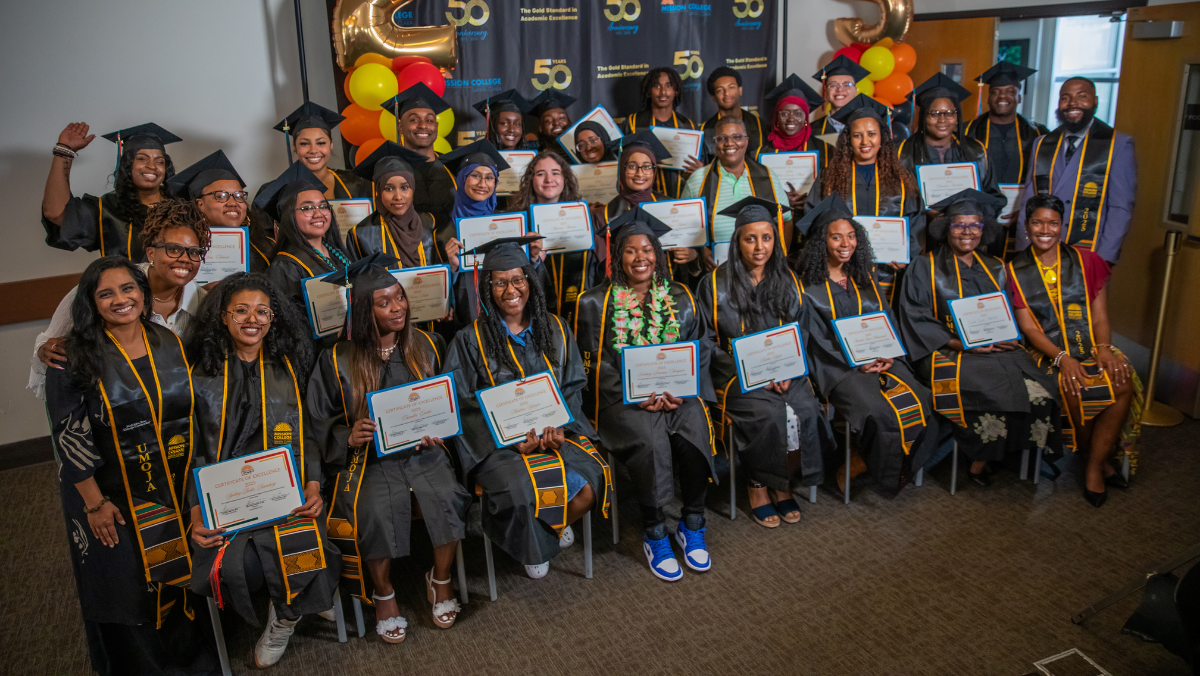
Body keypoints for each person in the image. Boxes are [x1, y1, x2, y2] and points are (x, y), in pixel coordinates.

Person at [46, 256, 219, 676]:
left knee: (181, 575)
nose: (120, 299)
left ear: (143, 294)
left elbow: (192, 415)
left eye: (128, 289)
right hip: (108, 494)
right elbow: (69, 434)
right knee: (127, 586)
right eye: (106, 293)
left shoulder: (169, 340)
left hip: (173, 484)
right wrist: (93, 503)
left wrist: (197, 492)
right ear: (91, 303)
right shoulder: (72, 357)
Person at [306, 253, 469, 640]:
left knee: (448, 494)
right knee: (374, 510)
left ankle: (440, 579)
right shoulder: (336, 359)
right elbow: (315, 421)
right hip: (368, 462)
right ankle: (384, 593)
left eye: (399, 297)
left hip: (423, 453)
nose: (397, 307)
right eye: (384, 302)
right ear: (364, 310)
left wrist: (440, 428)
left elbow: (452, 402)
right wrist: (346, 436)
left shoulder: (428, 344)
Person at [185, 273, 340, 668]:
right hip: (227, 499)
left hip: (283, 491)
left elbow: (307, 434)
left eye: (262, 311)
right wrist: (196, 510)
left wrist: (313, 484)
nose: (252, 319)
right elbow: (193, 453)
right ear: (222, 317)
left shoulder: (290, 366)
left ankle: (285, 618)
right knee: (246, 563)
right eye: (240, 310)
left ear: (274, 318)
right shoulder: (200, 376)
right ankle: (305, 597)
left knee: (307, 539)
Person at [441, 237, 609, 580]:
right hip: (499, 446)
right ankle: (541, 539)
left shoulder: (557, 328)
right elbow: (462, 404)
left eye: (518, 280)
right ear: (488, 288)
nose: (510, 290)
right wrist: (507, 441)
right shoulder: (469, 339)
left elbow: (574, 386)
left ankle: (548, 526)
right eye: (500, 282)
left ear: (530, 282)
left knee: (593, 482)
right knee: (519, 488)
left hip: (556, 436)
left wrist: (562, 428)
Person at [574, 211, 716, 582]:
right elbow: (592, 363)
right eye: (631, 250)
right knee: (650, 438)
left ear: (659, 254)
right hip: (623, 401)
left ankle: (692, 523)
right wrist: (635, 395)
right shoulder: (594, 302)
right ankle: (655, 531)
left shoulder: (680, 296)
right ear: (617, 256)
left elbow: (699, 348)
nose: (641, 257)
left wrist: (685, 391)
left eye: (648, 249)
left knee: (695, 428)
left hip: (678, 396)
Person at [896, 189, 1061, 486]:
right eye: (959, 225)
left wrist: (1011, 336)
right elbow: (916, 317)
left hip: (997, 349)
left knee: (1040, 389)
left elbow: (1007, 312)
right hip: (945, 350)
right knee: (987, 388)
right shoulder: (924, 266)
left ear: (984, 230)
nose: (967, 232)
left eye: (975, 225)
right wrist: (962, 345)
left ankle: (1011, 452)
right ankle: (980, 458)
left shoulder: (995, 266)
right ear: (947, 228)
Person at [697, 197, 834, 526]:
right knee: (771, 412)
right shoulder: (713, 285)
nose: (760, 247)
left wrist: (787, 371)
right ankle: (758, 484)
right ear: (737, 242)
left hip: (787, 373)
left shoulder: (788, 280)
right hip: (736, 377)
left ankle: (783, 482)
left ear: (776, 239)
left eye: (767, 237)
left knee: (806, 410)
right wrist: (750, 373)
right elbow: (704, 342)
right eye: (750, 238)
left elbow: (802, 331)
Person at [794, 195, 939, 495]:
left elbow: (887, 321)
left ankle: (870, 460)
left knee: (921, 399)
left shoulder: (865, 277)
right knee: (877, 411)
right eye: (836, 237)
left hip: (883, 359)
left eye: (851, 236)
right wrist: (855, 363)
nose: (845, 244)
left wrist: (889, 354)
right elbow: (814, 341)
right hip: (839, 368)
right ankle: (865, 464)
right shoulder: (806, 288)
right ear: (822, 242)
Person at [1007, 194, 1141, 507]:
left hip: (1092, 344)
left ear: (1062, 226)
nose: (1045, 229)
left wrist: (1105, 349)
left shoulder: (1086, 260)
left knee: (1121, 378)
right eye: (1037, 222)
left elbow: (1100, 314)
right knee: (1075, 387)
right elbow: (1029, 328)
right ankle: (1094, 463)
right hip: (1047, 351)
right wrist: (1062, 358)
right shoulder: (1015, 270)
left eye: (1052, 223)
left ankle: (1095, 461)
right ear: (1027, 226)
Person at [31, 199, 211, 399]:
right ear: (151, 252)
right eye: (174, 249)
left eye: (194, 252)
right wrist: (46, 351)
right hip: (111, 405)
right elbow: (50, 342)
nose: (185, 259)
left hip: (173, 410)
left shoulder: (203, 304)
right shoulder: (108, 283)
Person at [806, 95, 924, 301]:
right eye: (857, 135)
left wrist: (907, 255)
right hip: (841, 271)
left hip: (889, 272)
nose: (865, 142)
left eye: (871, 134)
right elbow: (814, 221)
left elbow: (916, 222)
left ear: (882, 138)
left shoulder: (902, 180)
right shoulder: (829, 178)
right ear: (848, 140)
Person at [1014, 77, 1136, 265]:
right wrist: (1023, 249)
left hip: (1088, 252)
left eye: (1081, 96)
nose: (1072, 103)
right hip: (1041, 249)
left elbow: (1120, 208)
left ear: (1094, 101)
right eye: (1065, 98)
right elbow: (1029, 202)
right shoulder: (1042, 144)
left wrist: (1104, 258)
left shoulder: (1117, 145)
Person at [439, 140, 545, 326]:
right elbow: (437, 296)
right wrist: (453, 268)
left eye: (490, 178)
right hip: (469, 317)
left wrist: (533, 259)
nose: (483, 183)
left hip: (507, 311)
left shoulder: (506, 224)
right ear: (462, 178)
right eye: (475, 176)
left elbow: (522, 275)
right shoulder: (443, 232)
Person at [41, 122, 179, 261]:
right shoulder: (107, 209)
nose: (152, 166)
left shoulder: (181, 208)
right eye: (142, 159)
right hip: (125, 282)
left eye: (159, 161)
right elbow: (56, 214)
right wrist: (64, 151)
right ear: (127, 164)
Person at [258, 162, 352, 349]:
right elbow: (285, 325)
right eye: (307, 208)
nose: (318, 214)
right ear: (288, 216)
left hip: (350, 346)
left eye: (323, 206)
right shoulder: (284, 266)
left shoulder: (336, 251)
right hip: (319, 355)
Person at [601, 131, 704, 286]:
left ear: (654, 170)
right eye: (632, 166)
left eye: (647, 167)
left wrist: (693, 256)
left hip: (670, 291)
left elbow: (693, 254)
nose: (640, 173)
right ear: (622, 170)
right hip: (623, 296)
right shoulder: (604, 214)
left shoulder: (672, 206)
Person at [683, 115, 798, 253]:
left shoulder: (768, 176)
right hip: (717, 268)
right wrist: (701, 253)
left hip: (761, 267)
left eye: (736, 137)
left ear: (746, 141)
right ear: (714, 143)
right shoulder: (698, 180)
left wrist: (780, 258)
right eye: (722, 138)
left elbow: (785, 219)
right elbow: (685, 227)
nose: (729, 143)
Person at [506, 152, 599, 320]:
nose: (549, 179)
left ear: (565, 179)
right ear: (531, 180)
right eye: (541, 174)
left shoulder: (582, 219)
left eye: (555, 173)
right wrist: (532, 260)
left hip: (577, 309)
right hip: (533, 313)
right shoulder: (518, 224)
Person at [898, 73, 1005, 215]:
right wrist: (925, 213)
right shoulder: (902, 152)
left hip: (966, 231)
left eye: (949, 113)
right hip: (921, 233)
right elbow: (895, 201)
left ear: (957, 117)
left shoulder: (977, 151)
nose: (942, 120)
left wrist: (968, 213)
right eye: (934, 113)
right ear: (924, 116)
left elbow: (994, 198)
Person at [345, 141, 448, 268]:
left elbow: (443, 274)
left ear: (413, 189)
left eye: (405, 188)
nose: (398, 197)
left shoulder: (430, 224)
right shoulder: (361, 235)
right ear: (379, 191)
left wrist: (452, 267)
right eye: (388, 189)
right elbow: (357, 282)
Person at [168, 149, 273, 273]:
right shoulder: (176, 245)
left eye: (239, 195)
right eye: (221, 196)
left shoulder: (266, 246)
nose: (233, 203)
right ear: (199, 204)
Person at [381, 83, 458, 227]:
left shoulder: (453, 166)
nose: (423, 125)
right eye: (414, 120)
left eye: (429, 120)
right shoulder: (386, 169)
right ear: (400, 127)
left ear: (436, 127)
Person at [620, 67, 704, 197]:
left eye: (669, 86)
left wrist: (701, 171)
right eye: (657, 86)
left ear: (675, 91)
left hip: (682, 197)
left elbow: (702, 165)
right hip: (643, 197)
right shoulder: (633, 124)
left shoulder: (689, 126)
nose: (663, 92)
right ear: (649, 91)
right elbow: (621, 163)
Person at [964, 62, 1050, 186]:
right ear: (988, 98)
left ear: (1019, 98)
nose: (1002, 96)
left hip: (1023, 203)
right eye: (996, 91)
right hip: (979, 203)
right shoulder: (966, 131)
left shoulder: (1038, 133)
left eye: (1010, 91)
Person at [273, 101, 372, 202]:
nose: (313, 150)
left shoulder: (357, 183)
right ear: (294, 147)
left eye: (321, 143)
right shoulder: (278, 193)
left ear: (331, 145)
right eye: (304, 143)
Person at [810, 55, 872, 164]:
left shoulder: (871, 129)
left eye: (847, 84)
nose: (840, 89)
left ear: (855, 91)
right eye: (833, 85)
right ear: (825, 91)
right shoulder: (810, 132)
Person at [700, 67, 766, 159]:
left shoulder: (761, 126)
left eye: (731, 87)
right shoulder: (705, 130)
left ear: (740, 90)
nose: (727, 93)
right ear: (714, 97)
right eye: (720, 90)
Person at [473, 89, 538, 151]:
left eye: (517, 124)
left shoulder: (531, 158)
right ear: (492, 126)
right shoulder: (481, 160)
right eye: (504, 123)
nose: (512, 129)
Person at [529, 89, 577, 158]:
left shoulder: (581, 153)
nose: (556, 123)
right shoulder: (535, 158)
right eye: (549, 120)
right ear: (541, 128)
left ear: (570, 122)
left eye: (562, 118)